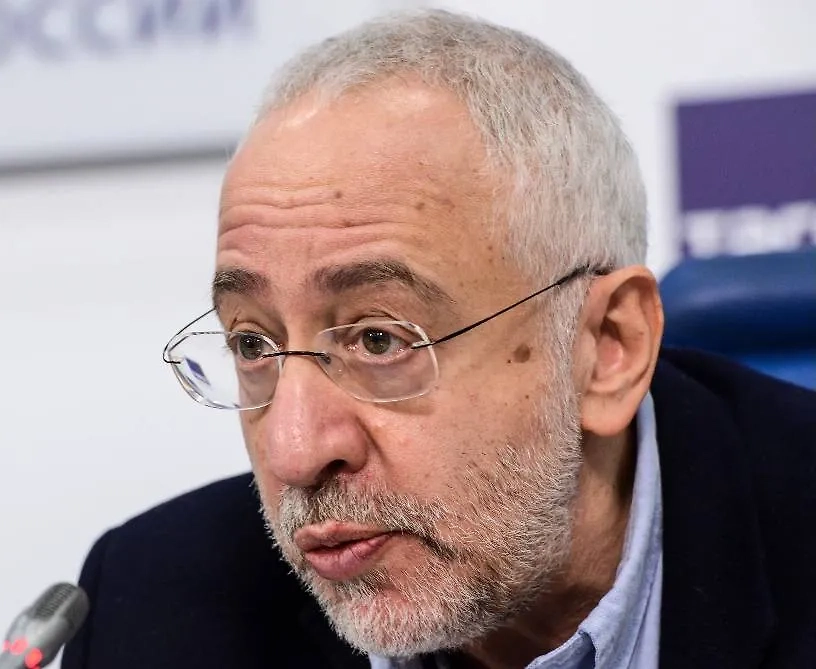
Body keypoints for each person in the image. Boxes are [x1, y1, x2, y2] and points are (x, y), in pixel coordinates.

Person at [61, 9, 816, 669]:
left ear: (607, 349)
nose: (294, 452)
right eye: (253, 345)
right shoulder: (158, 608)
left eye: (378, 339)